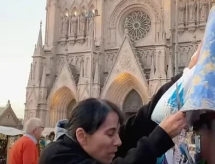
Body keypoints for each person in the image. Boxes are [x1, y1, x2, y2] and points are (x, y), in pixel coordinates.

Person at [39, 46, 201, 164]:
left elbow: (141, 122)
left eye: (116, 132)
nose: (118, 141)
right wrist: (161, 136)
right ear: (81, 135)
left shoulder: (93, 147)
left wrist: (187, 76)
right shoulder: (56, 157)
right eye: (110, 133)